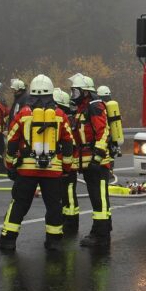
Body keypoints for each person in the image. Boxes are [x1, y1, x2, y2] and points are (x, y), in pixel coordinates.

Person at [0, 74, 74, 252]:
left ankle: (7, 241)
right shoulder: (60, 115)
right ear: (51, 94)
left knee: (19, 204)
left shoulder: (23, 114)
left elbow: (12, 140)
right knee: (54, 205)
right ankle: (54, 242)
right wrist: (66, 169)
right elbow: (69, 143)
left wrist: (10, 165)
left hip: (26, 170)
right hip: (53, 170)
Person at [70, 73, 112, 248]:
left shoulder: (95, 107)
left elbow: (103, 133)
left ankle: (100, 235)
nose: (73, 95)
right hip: (89, 163)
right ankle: (102, 230)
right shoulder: (83, 109)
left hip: (98, 163)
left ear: (85, 92)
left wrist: (97, 158)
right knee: (97, 198)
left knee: (99, 198)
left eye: (76, 91)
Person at [54, 87, 80, 234]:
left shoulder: (66, 119)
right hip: (63, 164)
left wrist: (66, 166)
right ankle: (65, 220)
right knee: (63, 194)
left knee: (68, 193)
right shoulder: (66, 118)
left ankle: (71, 224)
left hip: (68, 164)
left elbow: (68, 144)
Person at [96, 85, 124, 166]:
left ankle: (106, 172)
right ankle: (110, 171)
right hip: (112, 137)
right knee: (110, 156)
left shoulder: (100, 107)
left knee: (105, 156)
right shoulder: (112, 107)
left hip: (106, 137)